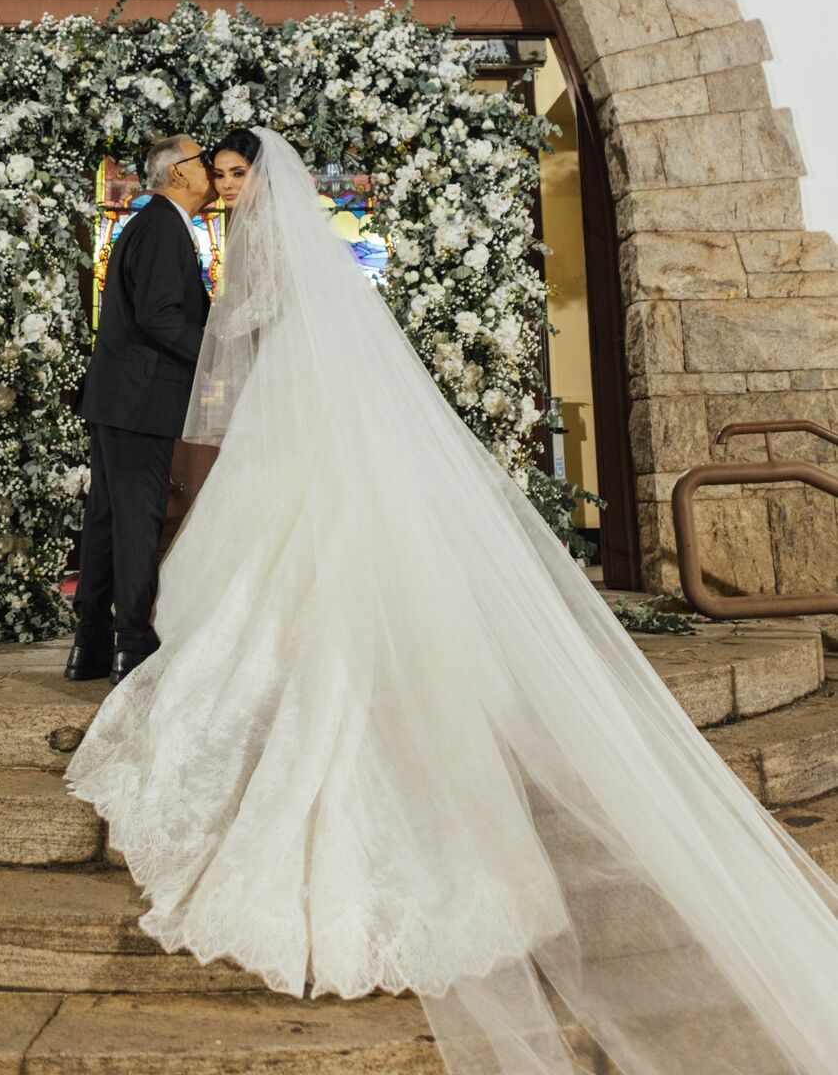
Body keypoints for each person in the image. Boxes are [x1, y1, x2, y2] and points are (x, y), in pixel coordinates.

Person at [65, 126, 838, 1073]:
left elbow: (261, 329)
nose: (225, 186)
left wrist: (238, 344)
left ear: (263, 175)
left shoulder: (273, 244)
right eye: (216, 174)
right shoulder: (218, 236)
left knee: (298, 565)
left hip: (298, 427)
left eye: (235, 173)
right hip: (279, 423)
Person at [65, 134, 214, 685]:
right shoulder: (161, 228)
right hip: (140, 399)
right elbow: (160, 317)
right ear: (177, 173)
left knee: (106, 521)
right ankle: (133, 641)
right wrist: (220, 352)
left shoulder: (155, 224)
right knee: (135, 520)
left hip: (121, 397)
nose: (213, 173)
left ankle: (91, 645)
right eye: (204, 162)